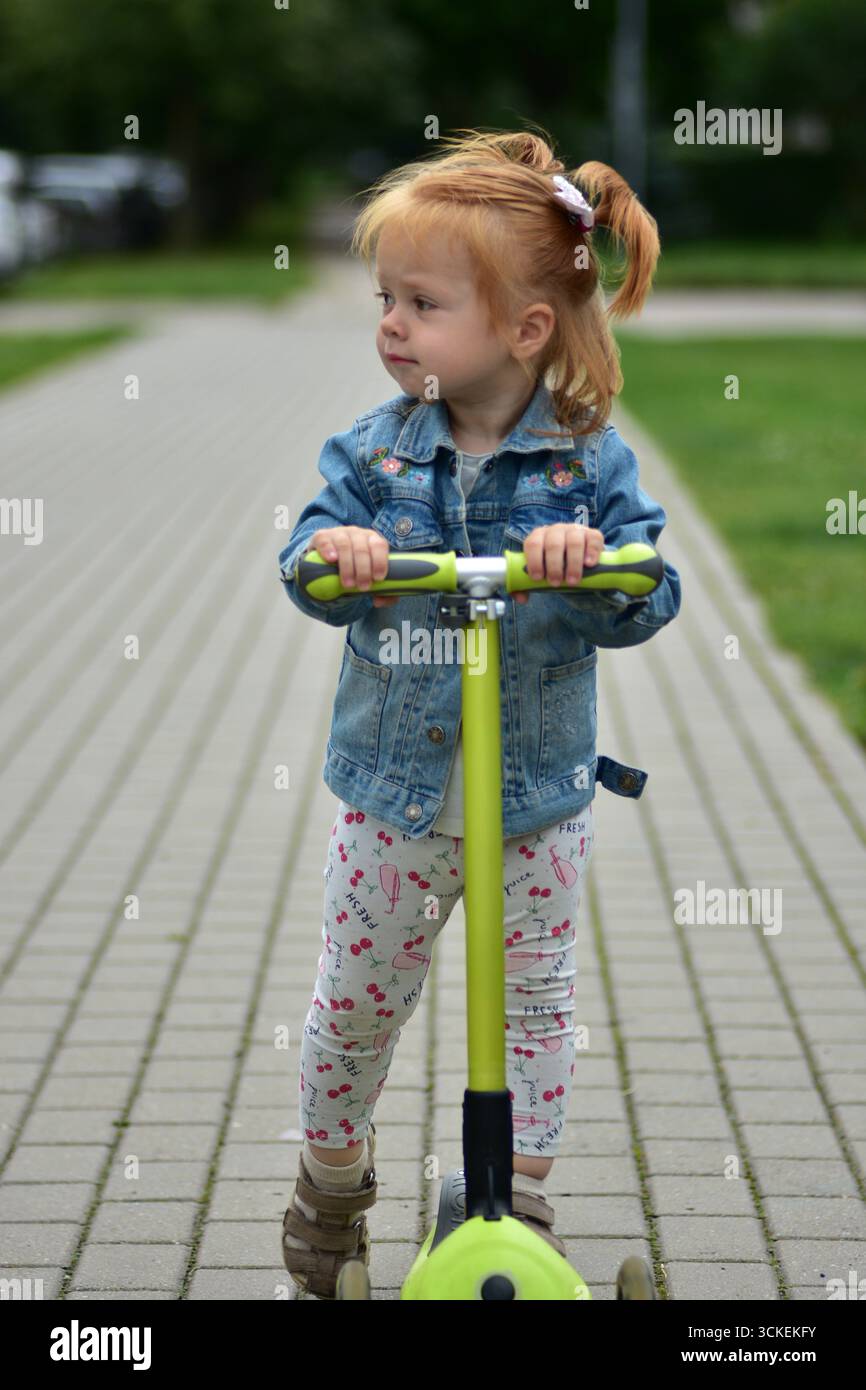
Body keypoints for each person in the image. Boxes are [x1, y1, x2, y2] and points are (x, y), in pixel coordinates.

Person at [277, 127, 682, 1298]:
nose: (389, 324)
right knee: (353, 1009)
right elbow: (302, 561)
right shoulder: (370, 454)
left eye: (421, 301)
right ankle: (332, 1183)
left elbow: (647, 589)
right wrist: (337, 553)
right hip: (392, 807)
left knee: (539, 1007)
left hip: (535, 803)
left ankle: (520, 1212)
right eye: (384, 298)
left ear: (524, 329)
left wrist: (593, 557)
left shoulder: (588, 466)